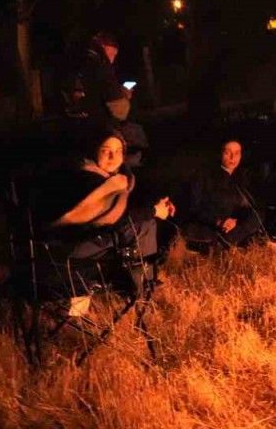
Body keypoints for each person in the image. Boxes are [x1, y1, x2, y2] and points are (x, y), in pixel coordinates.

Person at [32, 127, 173, 309]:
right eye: (106, 151)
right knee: (141, 225)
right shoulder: (86, 178)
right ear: (93, 151)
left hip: (81, 241)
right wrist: (154, 211)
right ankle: (142, 286)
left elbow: (127, 205)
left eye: (118, 151)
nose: (113, 157)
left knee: (142, 223)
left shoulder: (113, 178)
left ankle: (141, 282)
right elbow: (116, 218)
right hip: (65, 248)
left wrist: (157, 204)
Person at [179, 139, 265, 250]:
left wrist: (236, 222)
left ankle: (229, 242)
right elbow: (194, 208)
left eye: (237, 153)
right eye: (228, 153)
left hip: (233, 229)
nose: (232, 157)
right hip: (210, 226)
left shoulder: (241, 178)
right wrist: (218, 221)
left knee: (259, 214)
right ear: (220, 153)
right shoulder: (204, 176)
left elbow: (249, 208)